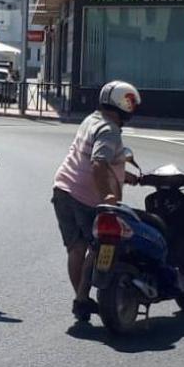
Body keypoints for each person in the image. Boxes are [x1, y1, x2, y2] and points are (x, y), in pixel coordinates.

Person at [52, 80, 141, 322]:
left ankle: (81, 300)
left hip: (62, 189)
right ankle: (82, 297)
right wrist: (108, 198)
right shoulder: (110, 129)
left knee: (76, 248)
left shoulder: (91, 119)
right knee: (100, 244)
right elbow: (98, 163)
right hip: (86, 197)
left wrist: (126, 177)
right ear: (124, 104)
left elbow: (94, 158)